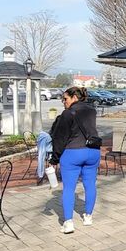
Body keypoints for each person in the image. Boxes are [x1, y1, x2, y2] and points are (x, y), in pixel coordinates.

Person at [51, 86, 101, 233]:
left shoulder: (67, 113)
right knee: (90, 184)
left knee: (69, 188)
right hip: (93, 151)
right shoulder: (92, 110)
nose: (63, 102)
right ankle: (88, 217)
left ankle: (68, 223)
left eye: (65, 99)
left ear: (74, 97)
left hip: (73, 153)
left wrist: (54, 159)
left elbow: (60, 138)